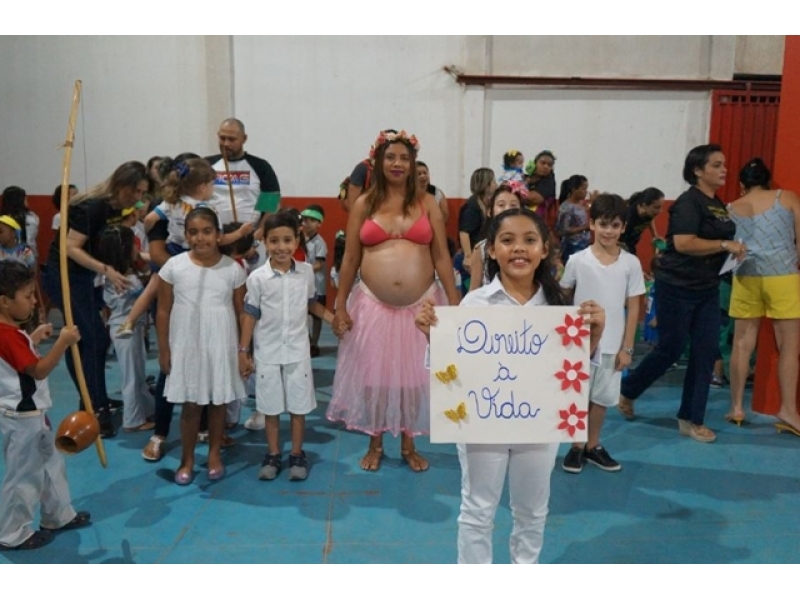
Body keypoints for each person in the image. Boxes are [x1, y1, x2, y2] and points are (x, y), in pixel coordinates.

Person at [414, 209, 605, 563]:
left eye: (530, 240)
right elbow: (453, 371)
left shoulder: (560, 308)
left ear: (545, 249)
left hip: (539, 425)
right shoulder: (474, 304)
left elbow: (571, 373)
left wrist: (593, 337)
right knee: (478, 509)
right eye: (507, 240)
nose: (519, 249)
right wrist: (434, 337)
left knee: (532, 510)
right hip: (483, 424)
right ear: (491, 250)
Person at [328, 129, 460, 472]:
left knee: (414, 378)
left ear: (412, 162)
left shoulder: (427, 202)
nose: (397, 164)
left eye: (404, 158)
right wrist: (340, 304)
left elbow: (442, 256)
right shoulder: (363, 204)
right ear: (378, 161)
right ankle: (375, 442)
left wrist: (455, 301)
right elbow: (350, 258)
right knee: (376, 377)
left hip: (422, 303)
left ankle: (408, 444)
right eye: (390, 157)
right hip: (372, 304)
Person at [619, 144, 746, 443]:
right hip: (677, 286)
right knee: (670, 349)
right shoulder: (689, 203)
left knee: (704, 352)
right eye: (716, 165)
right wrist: (724, 246)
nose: (723, 169)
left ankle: (691, 418)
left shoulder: (717, 204)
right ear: (698, 170)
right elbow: (685, 243)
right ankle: (629, 390)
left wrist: (733, 253)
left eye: (724, 164)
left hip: (707, 288)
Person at [41, 160, 149, 438]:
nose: (137, 198)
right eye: (135, 191)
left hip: (86, 277)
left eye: (142, 193)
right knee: (91, 340)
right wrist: (106, 270)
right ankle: (96, 408)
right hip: (66, 277)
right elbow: (70, 247)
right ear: (122, 184)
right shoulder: (93, 207)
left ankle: (92, 399)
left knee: (87, 340)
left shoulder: (114, 209)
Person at [0, 262, 91, 551]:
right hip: (21, 416)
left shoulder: (12, 332)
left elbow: (19, 358)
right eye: (27, 296)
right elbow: (37, 370)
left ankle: (57, 515)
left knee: (51, 463)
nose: (34, 300)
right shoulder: (7, 335)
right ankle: (12, 532)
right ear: (4, 302)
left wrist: (34, 337)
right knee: (24, 474)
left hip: (33, 413)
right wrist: (61, 343)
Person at [238, 212, 334, 481]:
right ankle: (272, 453)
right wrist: (243, 351)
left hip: (297, 352)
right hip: (267, 352)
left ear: (297, 242)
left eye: (287, 240)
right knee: (269, 406)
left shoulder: (305, 273)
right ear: (265, 243)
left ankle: (297, 453)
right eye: (274, 241)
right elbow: (250, 314)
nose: (281, 246)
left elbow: (312, 304)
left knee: (299, 406)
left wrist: (333, 319)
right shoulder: (257, 278)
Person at [157, 207, 247, 484]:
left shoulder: (232, 269)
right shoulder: (174, 267)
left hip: (220, 342)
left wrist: (244, 350)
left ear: (219, 235)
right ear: (185, 235)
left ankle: (214, 453)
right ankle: (187, 458)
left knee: (218, 401)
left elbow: (242, 311)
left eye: (207, 232)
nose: (201, 238)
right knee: (191, 404)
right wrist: (164, 349)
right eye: (193, 232)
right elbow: (163, 311)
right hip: (186, 343)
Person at [559, 194, 645, 473]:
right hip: (578, 346)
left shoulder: (631, 264)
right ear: (592, 224)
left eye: (615, 225)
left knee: (602, 397)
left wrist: (627, 348)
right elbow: (563, 296)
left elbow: (634, 307)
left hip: (611, 347)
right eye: (603, 224)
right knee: (576, 394)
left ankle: (592, 445)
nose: (609, 231)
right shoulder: (577, 261)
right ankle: (574, 446)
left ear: (623, 227)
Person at [726, 158, 800, 434]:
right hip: (783, 275)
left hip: (746, 275)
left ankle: (736, 407)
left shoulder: (732, 207)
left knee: (742, 344)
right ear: (768, 181)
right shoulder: (787, 197)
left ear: (742, 184)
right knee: (789, 346)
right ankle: (789, 410)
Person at [96, 224, 154, 432]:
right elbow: (147, 289)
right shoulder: (124, 279)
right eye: (133, 246)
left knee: (138, 372)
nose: (136, 250)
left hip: (129, 328)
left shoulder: (116, 274)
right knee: (131, 375)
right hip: (125, 329)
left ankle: (145, 409)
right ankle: (133, 420)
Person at [206, 118, 280, 236]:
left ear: (244, 139)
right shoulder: (207, 164)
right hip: (214, 236)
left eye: (232, 139)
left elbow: (271, 204)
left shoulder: (260, 166)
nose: (226, 144)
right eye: (222, 138)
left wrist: (260, 231)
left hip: (250, 237)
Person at [468, 181, 526, 291]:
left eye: (513, 205)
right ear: (490, 211)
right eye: (501, 205)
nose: (507, 209)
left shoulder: (530, 245)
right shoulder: (481, 249)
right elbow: (473, 290)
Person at [301, 205, 328, 357]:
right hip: (304, 285)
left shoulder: (319, 243)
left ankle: (314, 343)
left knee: (317, 316)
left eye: (312, 220)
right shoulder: (300, 240)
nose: (308, 223)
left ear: (319, 224)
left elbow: (319, 264)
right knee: (303, 314)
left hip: (317, 286)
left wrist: (303, 269)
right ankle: (307, 340)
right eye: (305, 220)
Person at [458, 168, 497, 263]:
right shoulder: (472, 206)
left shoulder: (486, 203)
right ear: (486, 185)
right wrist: (468, 256)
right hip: (473, 255)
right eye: (494, 182)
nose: (496, 185)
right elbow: (464, 232)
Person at [556, 175, 592, 263]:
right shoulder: (566, 207)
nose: (586, 192)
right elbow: (562, 230)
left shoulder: (580, 204)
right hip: (572, 247)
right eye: (583, 189)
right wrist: (584, 227)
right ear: (574, 189)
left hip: (584, 245)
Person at [621, 187, 665, 255]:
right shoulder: (628, 217)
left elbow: (650, 219)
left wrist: (655, 235)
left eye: (661, 207)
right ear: (644, 205)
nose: (660, 211)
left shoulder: (648, 213)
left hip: (631, 245)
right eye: (656, 207)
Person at [524, 150, 558, 232]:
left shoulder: (549, 182)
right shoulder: (525, 178)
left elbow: (534, 198)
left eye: (549, 165)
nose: (546, 167)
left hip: (539, 225)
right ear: (534, 164)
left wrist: (516, 192)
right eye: (543, 163)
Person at [1, 186, 39, 260]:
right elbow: (30, 242)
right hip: (25, 257)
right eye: (25, 198)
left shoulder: (2, 218)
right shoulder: (30, 219)